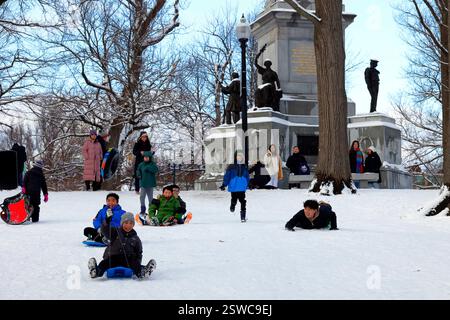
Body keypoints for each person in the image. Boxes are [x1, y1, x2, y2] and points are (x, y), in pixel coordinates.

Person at [87, 212, 156, 279]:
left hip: (128, 259)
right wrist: (107, 221)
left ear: (133, 225)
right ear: (122, 223)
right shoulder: (115, 232)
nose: (128, 225)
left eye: (131, 223)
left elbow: (139, 252)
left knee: (134, 264)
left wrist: (137, 262)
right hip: (113, 257)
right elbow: (104, 230)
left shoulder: (135, 238)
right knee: (104, 264)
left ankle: (142, 272)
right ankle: (96, 271)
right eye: (126, 223)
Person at [220, 151, 250, 222]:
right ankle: (232, 205)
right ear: (235, 157)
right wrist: (224, 184)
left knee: (243, 201)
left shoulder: (244, 166)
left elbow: (247, 177)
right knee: (234, 199)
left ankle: (243, 217)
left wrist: (249, 184)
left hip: (242, 187)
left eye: (241, 156)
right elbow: (227, 176)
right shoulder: (231, 166)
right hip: (234, 187)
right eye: (238, 156)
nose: (239, 157)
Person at [255, 44, 282, 111]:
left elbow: (277, 81)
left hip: (270, 87)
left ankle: (266, 105)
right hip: (264, 86)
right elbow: (255, 62)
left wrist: (279, 89)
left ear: (270, 64)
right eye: (266, 64)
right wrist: (260, 52)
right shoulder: (263, 71)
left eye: (268, 63)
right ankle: (258, 105)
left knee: (266, 90)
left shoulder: (273, 72)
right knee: (257, 91)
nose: (267, 65)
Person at [136, 151, 158, 218]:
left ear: (150, 158)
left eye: (147, 157)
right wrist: (139, 175)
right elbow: (138, 170)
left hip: (150, 184)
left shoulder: (152, 164)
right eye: (145, 157)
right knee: (142, 197)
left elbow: (156, 170)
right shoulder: (141, 164)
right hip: (143, 183)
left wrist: (149, 168)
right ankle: (143, 210)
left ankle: (151, 210)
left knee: (150, 198)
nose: (146, 158)